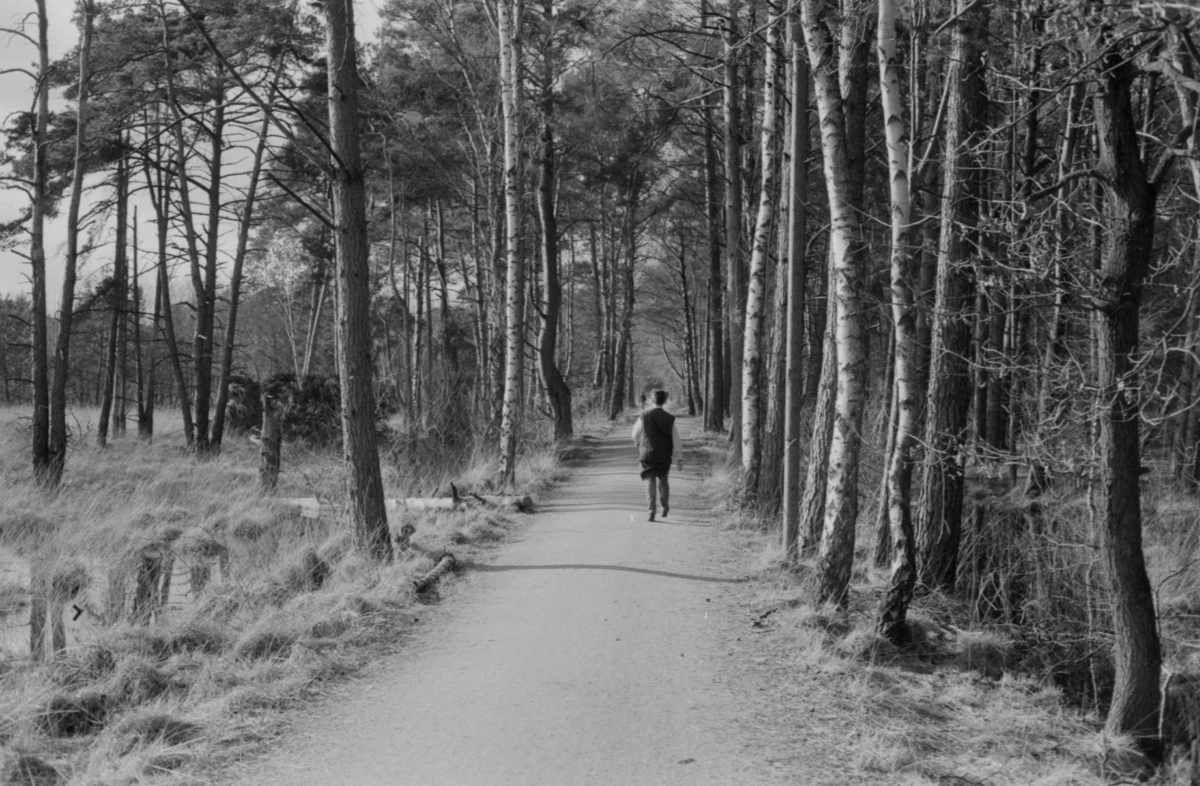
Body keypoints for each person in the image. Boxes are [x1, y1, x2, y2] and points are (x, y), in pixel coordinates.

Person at [631, 389, 682, 522]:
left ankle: (651, 511)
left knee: (650, 482)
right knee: (663, 481)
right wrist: (679, 457)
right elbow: (675, 438)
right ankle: (664, 507)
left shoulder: (644, 415)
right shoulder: (669, 418)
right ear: (664, 401)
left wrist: (639, 443)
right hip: (664, 454)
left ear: (652, 400)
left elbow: (635, 434)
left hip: (647, 454)